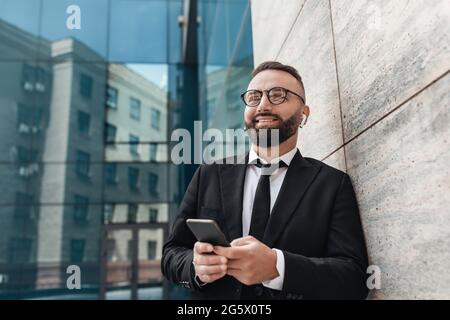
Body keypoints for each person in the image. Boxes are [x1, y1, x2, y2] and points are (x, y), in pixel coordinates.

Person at [161, 61, 369, 299]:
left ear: (304, 113)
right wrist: (196, 267)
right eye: (253, 96)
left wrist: (276, 267)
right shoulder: (209, 173)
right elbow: (171, 254)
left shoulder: (333, 184)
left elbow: (354, 279)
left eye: (278, 95)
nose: (263, 105)